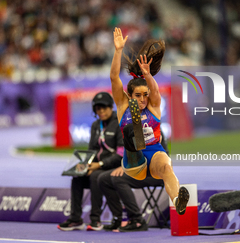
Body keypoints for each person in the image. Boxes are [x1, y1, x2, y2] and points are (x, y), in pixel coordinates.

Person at [109, 27, 189, 217]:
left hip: (153, 151)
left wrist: (148, 75)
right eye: (138, 96)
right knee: (130, 133)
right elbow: (114, 77)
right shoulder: (123, 106)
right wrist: (119, 50)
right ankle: (134, 136)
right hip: (134, 160)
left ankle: (177, 199)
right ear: (129, 95)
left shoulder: (154, 107)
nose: (143, 99)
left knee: (166, 167)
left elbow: (154, 92)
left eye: (145, 95)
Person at [58, 92, 124, 231]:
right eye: (98, 109)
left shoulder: (119, 123)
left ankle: (95, 220)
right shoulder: (95, 125)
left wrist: (99, 165)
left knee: (95, 176)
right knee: (77, 177)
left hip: (114, 168)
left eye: (104, 108)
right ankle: (76, 219)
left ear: (111, 107)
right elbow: (92, 150)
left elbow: (121, 154)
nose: (101, 111)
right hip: (96, 167)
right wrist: (83, 165)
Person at [98, 131, 169, 232]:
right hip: (139, 169)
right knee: (104, 178)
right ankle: (119, 219)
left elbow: (151, 156)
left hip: (155, 171)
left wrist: (128, 167)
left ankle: (137, 220)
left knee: (118, 178)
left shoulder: (150, 129)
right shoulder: (132, 128)